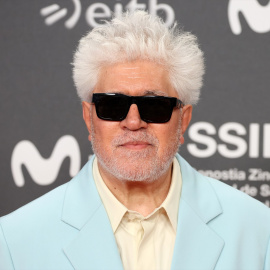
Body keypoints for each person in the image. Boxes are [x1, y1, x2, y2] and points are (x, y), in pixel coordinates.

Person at [0, 11, 270, 270]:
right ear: (88, 117)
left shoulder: (259, 231)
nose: (133, 122)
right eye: (112, 105)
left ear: (184, 120)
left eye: (154, 106)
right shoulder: (14, 239)